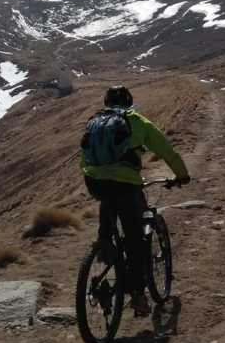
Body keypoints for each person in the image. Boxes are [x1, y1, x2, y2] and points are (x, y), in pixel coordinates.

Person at [80, 85, 190, 317]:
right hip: (127, 186)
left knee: (107, 202)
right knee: (135, 237)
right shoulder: (137, 121)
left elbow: (85, 157)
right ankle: (139, 294)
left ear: (107, 101)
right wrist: (181, 174)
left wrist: (96, 176)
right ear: (129, 101)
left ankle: (104, 247)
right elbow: (165, 149)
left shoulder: (95, 122)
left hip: (95, 183)